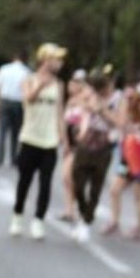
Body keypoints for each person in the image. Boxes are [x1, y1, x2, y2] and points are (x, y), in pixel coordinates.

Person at [9, 43, 68, 241]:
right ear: (45, 60)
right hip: (29, 137)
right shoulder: (29, 79)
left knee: (45, 183)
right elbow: (27, 100)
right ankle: (17, 216)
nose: (59, 64)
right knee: (24, 181)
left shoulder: (59, 85)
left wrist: (64, 139)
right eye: (56, 59)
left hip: (49, 141)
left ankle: (38, 221)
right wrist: (41, 86)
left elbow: (60, 113)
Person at [104, 83, 140, 241]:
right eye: (138, 100)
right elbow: (119, 124)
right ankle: (114, 221)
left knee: (139, 195)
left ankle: (139, 228)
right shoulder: (129, 114)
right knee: (115, 189)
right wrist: (125, 101)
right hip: (127, 159)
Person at [71, 72, 119, 243]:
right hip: (86, 141)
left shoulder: (117, 99)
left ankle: (86, 221)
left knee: (96, 187)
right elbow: (75, 106)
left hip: (104, 144)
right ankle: (84, 212)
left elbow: (119, 122)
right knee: (77, 182)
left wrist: (102, 110)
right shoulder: (89, 95)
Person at [58, 70, 89, 223]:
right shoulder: (70, 101)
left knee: (69, 176)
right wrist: (64, 142)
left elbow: (86, 122)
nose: (72, 85)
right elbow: (64, 122)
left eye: (76, 82)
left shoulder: (87, 101)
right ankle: (69, 208)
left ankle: (74, 207)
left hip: (80, 143)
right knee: (67, 178)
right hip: (70, 142)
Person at [0, 51, 29, 167]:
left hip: (5, 101)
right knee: (15, 132)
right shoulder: (26, 72)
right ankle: (13, 158)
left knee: (2, 131)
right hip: (18, 103)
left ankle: (0, 157)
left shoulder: (4, 69)